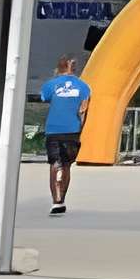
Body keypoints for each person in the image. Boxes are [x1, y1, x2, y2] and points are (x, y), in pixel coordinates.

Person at [39, 56, 93, 215]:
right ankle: (62, 198)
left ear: (58, 68)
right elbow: (84, 110)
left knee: (55, 163)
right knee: (67, 164)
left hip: (54, 129)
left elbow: (45, 98)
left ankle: (57, 201)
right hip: (73, 131)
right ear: (74, 68)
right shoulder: (84, 87)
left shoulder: (50, 85)